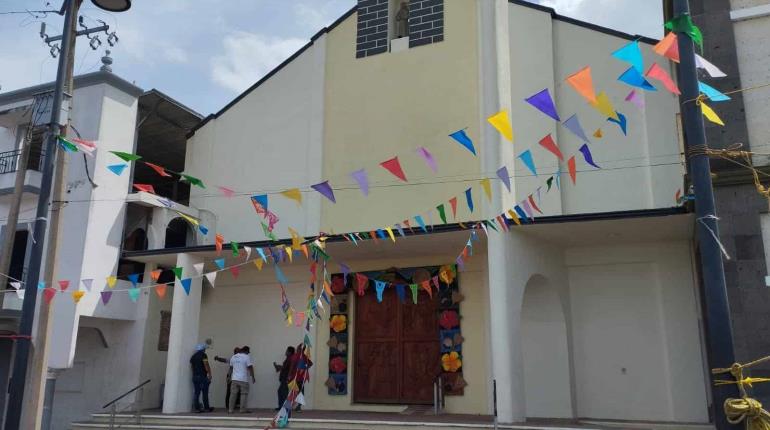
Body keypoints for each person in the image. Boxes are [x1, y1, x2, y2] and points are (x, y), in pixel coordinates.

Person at [228, 345, 255, 413]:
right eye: (248, 352)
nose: (249, 353)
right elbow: (250, 367)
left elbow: (231, 368)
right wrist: (253, 377)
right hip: (243, 379)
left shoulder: (233, 357)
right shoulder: (246, 357)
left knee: (233, 394)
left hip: (234, 379)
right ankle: (242, 409)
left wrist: (229, 376)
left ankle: (230, 409)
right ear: (246, 351)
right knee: (244, 394)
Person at [214, 347, 240, 411]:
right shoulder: (232, 359)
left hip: (237, 376)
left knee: (237, 391)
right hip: (231, 376)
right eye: (237, 352)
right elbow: (224, 360)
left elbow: (224, 360)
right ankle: (228, 405)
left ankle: (235, 404)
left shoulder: (240, 359)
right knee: (230, 391)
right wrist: (218, 358)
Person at [190, 343, 213, 413]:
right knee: (205, 392)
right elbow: (206, 364)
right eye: (204, 348)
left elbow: (192, 367)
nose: (205, 349)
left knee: (196, 393)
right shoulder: (203, 355)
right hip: (202, 376)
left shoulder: (193, 356)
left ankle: (196, 408)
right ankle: (206, 408)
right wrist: (209, 373)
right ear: (202, 349)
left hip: (195, 377)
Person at [272, 346, 295, 411]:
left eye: (287, 351)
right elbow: (284, 367)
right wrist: (278, 367)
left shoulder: (290, 359)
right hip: (284, 378)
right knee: (282, 392)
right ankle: (282, 407)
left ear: (290, 352)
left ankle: (285, 408)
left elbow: (289, 368)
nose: (286, 352)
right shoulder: (288, 358)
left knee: (283, 393)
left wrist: (288, 377)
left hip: (286, 378)